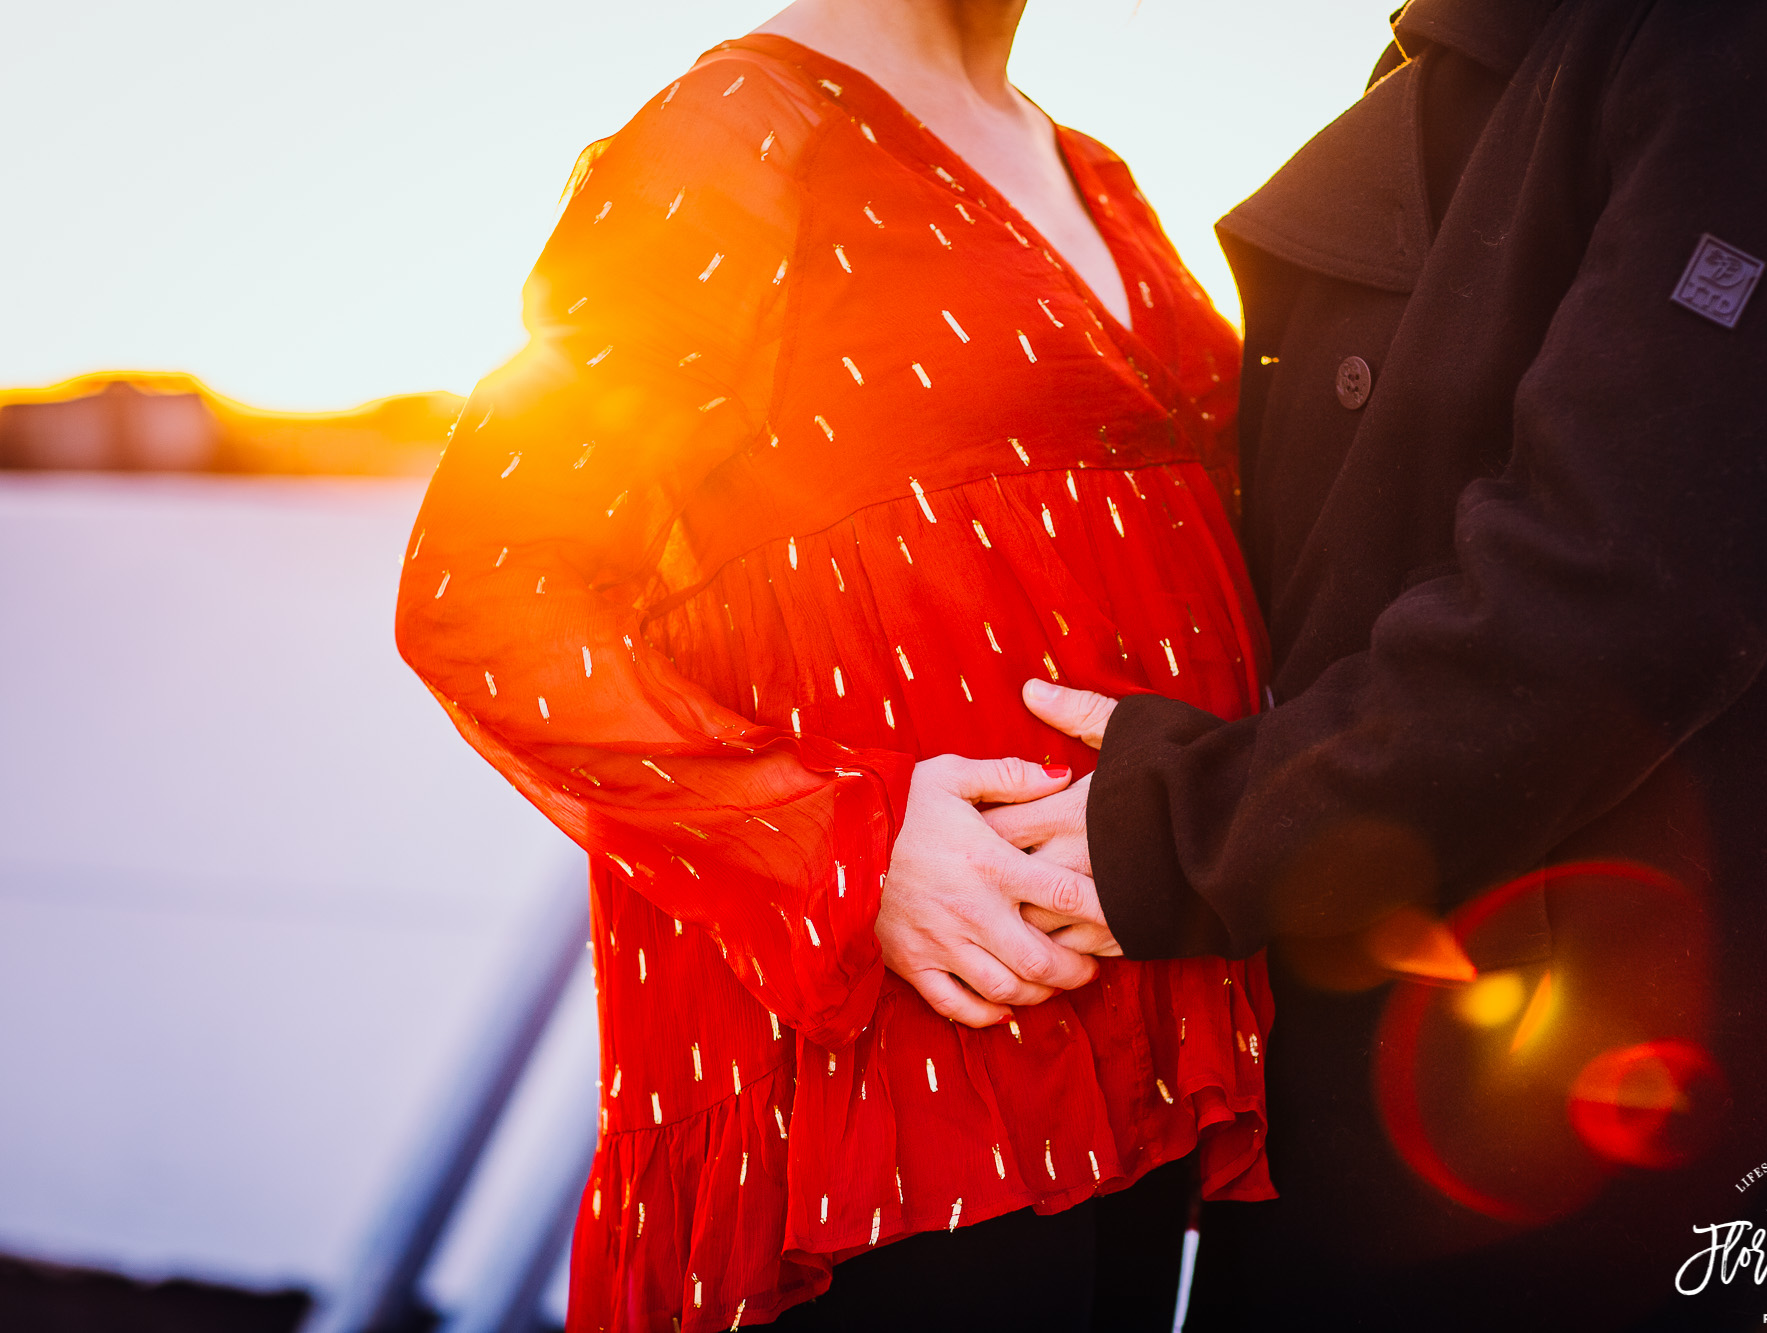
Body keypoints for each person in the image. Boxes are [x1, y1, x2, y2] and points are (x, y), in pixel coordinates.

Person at [994, 0, 1767, 1327]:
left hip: (1632, 1169)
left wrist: (1176, 832)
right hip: (1365, 1141)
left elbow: (1613, 588)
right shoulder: (1490, 50)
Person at [394, 2, 1273, 1330]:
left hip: (1132, 1025)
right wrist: (845, 849)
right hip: (901, 1095)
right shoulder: (737, 132)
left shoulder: (1089, 164)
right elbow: (488, 590)